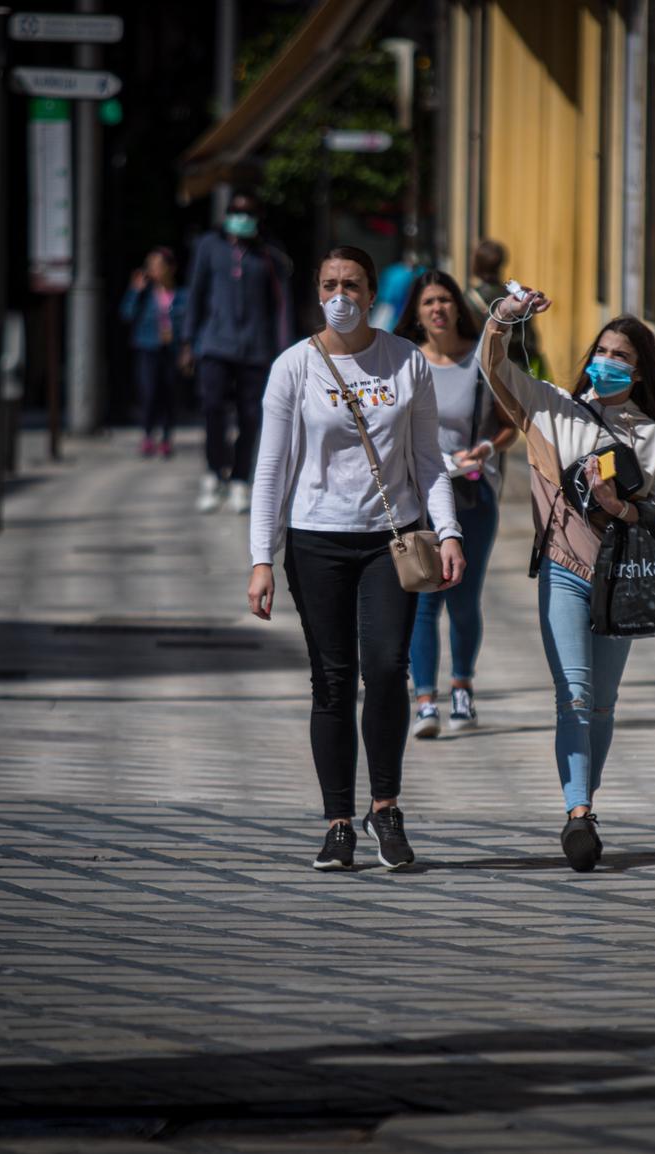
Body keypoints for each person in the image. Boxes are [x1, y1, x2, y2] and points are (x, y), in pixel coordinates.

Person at [247, 246, 467, 872]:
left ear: (373, 294)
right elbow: (270, 469)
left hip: (389, 539)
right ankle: (339, 822)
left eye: (351, 285)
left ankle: (386, 808)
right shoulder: (294, 367)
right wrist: (261, 557)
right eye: (328, 284)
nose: (339, 295)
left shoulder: (406, 362)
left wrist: (447, 531)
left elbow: (430, 460)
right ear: (317, 293)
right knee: (333, 680)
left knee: (389, 667)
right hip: (316, 538)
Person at [478, 284, 655, 871]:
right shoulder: (551, 409)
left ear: (640, 370)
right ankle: (578, 815)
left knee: (603, 704)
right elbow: (492, 365)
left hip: (621, 577)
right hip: (566, 571)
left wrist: (621, 508)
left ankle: (585, 805)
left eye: (622, 355)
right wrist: (505, 316)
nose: (608, 361)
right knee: (573, 695)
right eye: (602, 350)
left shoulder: (650, 437)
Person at [394, 271, 518, 737]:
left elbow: (510, 422)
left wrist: (485, 450)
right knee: (425, 599)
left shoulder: (479, 359)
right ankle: (425, 699)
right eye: (428, 302)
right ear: (418, 311)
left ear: (457, 307)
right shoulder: (406, 362)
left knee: (464, 599)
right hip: (420, 493)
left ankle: (462, 684)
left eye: (445, 299)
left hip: (471, 492)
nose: (438, 308)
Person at [181, 192, 293, 515]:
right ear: (227, 213)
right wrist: (188, 340)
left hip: (256, 349)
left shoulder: (269, 255)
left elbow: (280, 306)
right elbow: (196, 293)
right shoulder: (208, 247)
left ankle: (241, 478)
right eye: (235, 211)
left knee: (250, 416)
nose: (241, 217)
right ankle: (215, 471)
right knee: (212, 408)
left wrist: (284, 352)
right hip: (214, 344)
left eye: (248, 212)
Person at [119, 246, 188, 459]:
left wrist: (187, 348)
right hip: (147, 347)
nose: (153, 270)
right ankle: (148, 435)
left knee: (169, 394)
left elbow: (188, 324)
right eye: (151, 266)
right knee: (148, 393)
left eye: (158, 265)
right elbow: (126, 315)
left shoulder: (182, 295)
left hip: (171, 349)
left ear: (170, 268)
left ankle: (166, 438)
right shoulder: (144, 294)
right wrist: (134, 291)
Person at [467, 238, 544, 379]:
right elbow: (531, 342)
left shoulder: (468, 300)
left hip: (480, 373)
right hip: (515, 374)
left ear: (476, 265)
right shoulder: (518, 298)